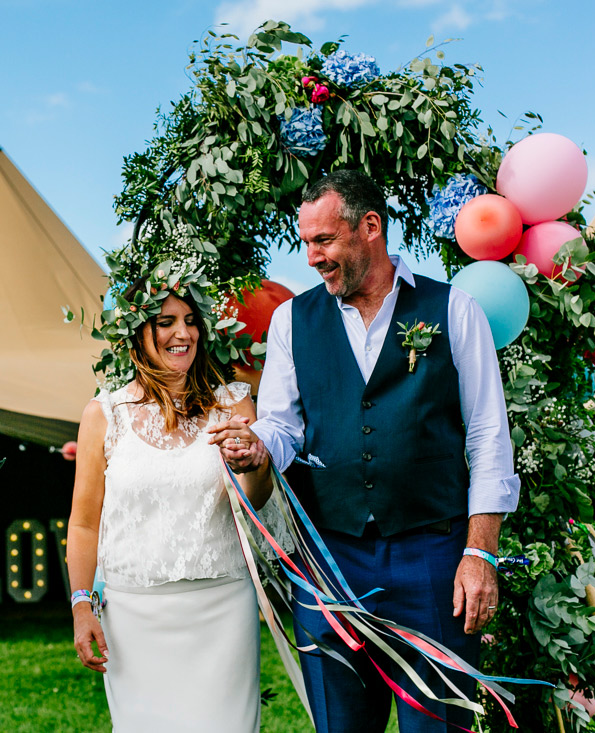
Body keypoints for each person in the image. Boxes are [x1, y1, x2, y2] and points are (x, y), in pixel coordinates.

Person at [212, 169, 520, 731]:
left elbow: (488, 438)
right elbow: (284, 428)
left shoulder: (453, 310)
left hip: (434, 560)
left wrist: (480, 554)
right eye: (305, 242)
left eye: (323, 240)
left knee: (440, 724)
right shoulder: (291, 321)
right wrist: (257, 447)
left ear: (370, 227)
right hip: (329, 563)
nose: (311, 257)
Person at [66, 274, 274, 732]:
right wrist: (82, 605)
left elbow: (256, 501)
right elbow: (83, 524)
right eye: (166, 322)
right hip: (132, 615)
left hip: (221, 607)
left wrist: (253, 463)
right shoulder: (103, 414)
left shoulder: (234, 404)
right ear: (137, 332)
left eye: (191, 321)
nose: (184, 333)